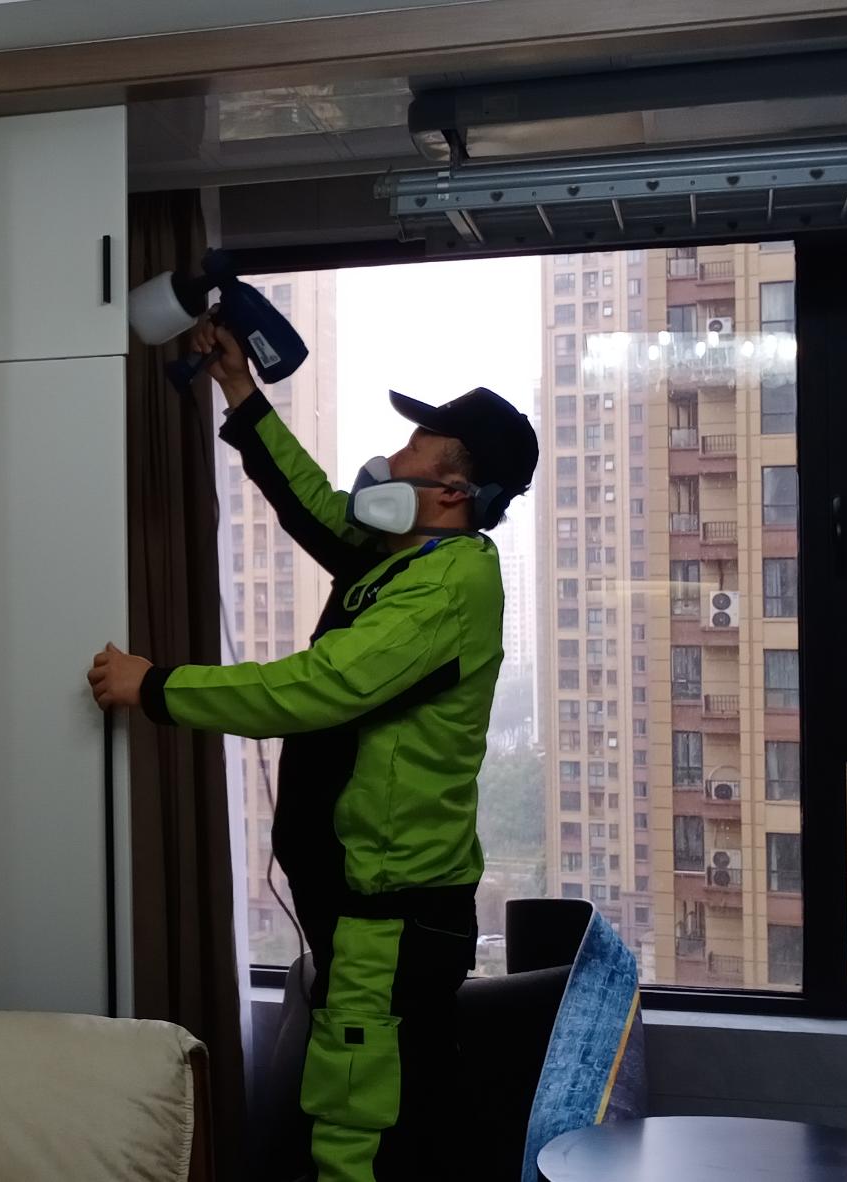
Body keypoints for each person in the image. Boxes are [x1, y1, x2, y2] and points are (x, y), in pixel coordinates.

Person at [88, 320, 538, 1182]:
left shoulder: (449, 586)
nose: (388, 461)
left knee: (357, 1126)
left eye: (411, 448)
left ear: (451, 490)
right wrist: (240, 390)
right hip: (364, 903)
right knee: (372, 1104)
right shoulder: (401, 558)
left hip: (390, 913)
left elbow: (316, 688)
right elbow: (315, 506)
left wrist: (156, 687)